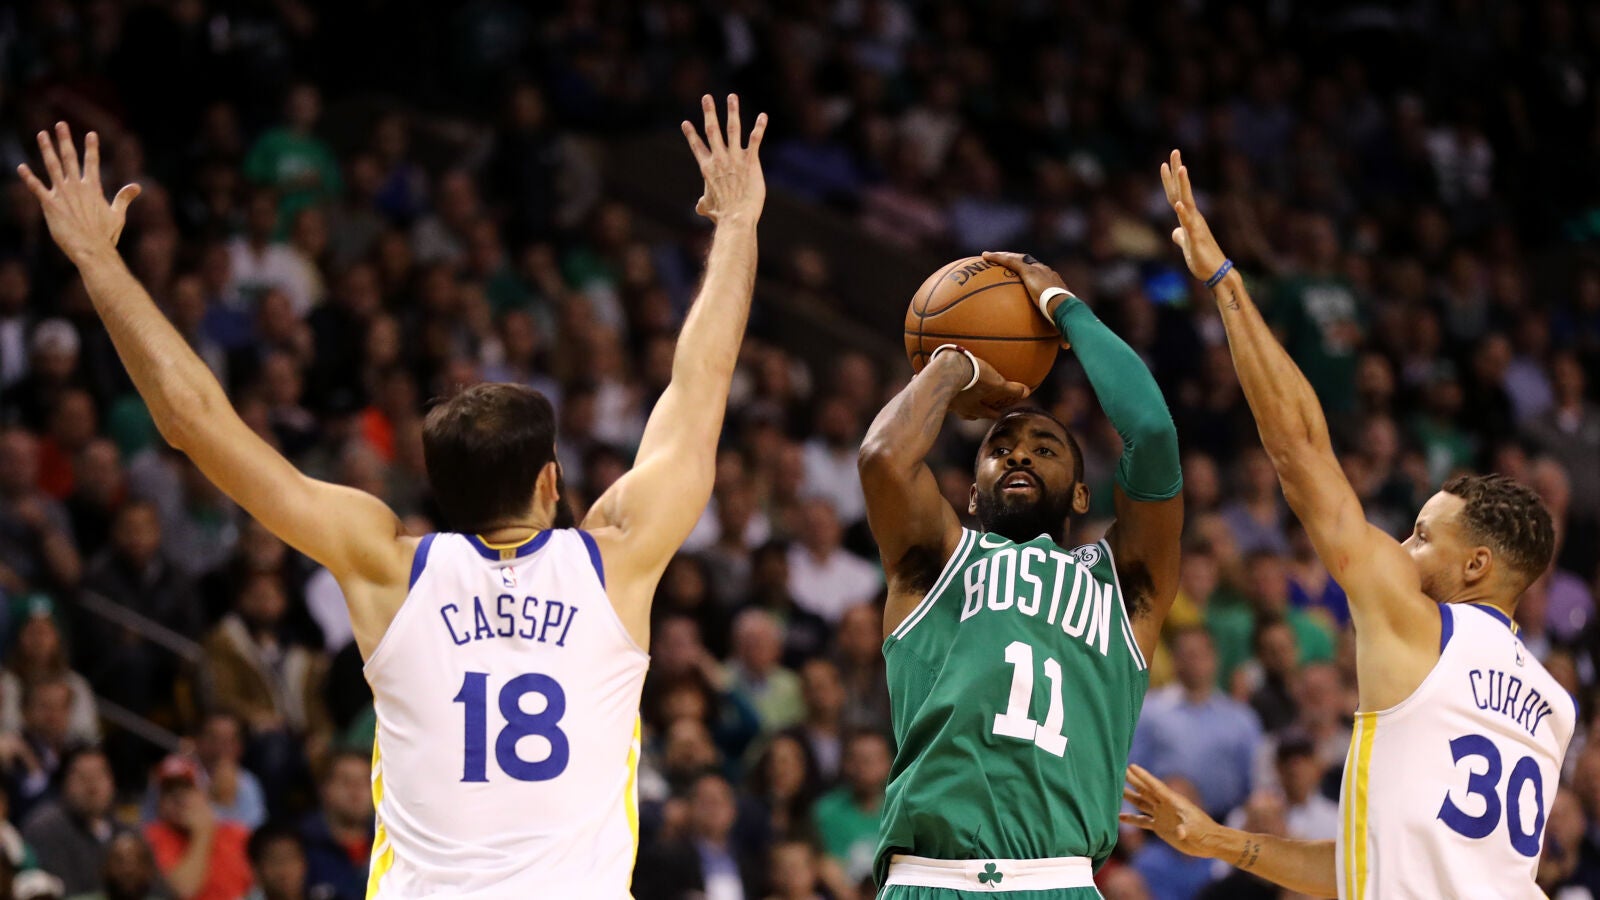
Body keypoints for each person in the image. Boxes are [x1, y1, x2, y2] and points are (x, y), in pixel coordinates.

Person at [18, 101, 766, 898]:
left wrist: (97, 259)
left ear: (437, 489)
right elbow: (702, 385)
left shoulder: (387, 565)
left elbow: (192, 421)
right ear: (552, 482)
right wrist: (738, 224)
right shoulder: (615, 561)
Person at [1121, 149, 1572, 898]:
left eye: (1423, 536)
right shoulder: (1556, 705)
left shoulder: (1420, 625)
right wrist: (1215, 840)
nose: (1403, 549)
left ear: (1476, 566)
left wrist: (1225, 282)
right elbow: (1375, 867)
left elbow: (1300, 453)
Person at [858, 251, 1183, 896]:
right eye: (999, 448)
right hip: (928, 878)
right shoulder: (937, 561)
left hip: (1058, 878)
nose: (1019, 457)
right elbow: (883, 457)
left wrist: (1066, 309)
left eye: (1044, 448)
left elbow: (1151, 432)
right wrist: (955, 361)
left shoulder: (1123, 584)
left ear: (1083, 495)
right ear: (971, 493)